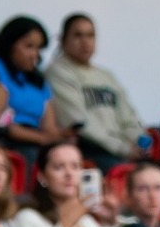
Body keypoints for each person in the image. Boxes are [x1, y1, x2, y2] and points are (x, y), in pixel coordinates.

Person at [44, 13, 147, 173]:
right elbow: (78, 124)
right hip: (89, 150)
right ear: (63, 40)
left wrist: (140, 142)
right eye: (78, 35)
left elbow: (128, 116)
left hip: (121, 150)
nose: (85, 42)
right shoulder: (58, 72)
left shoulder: (106, 76)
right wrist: (124, 149)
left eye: (90, 36)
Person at [0, 16, 66, 151]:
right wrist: (41, 138)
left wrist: (62, 135)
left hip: (38, 141)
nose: (35, 54)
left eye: (39, 48)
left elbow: (49, 128)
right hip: (7, 141)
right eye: (29, 46)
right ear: (10, 44)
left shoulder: (39, 80)